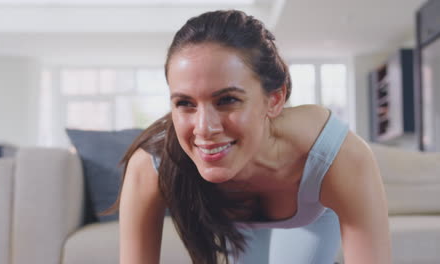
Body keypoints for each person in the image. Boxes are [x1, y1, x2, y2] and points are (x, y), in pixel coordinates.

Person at [104, 10, 392, 264]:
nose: (204, 128)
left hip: (312, 214)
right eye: (185, 103)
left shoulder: (338, 158)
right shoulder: (150, 166)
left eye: (227, 99)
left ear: (274, 100)